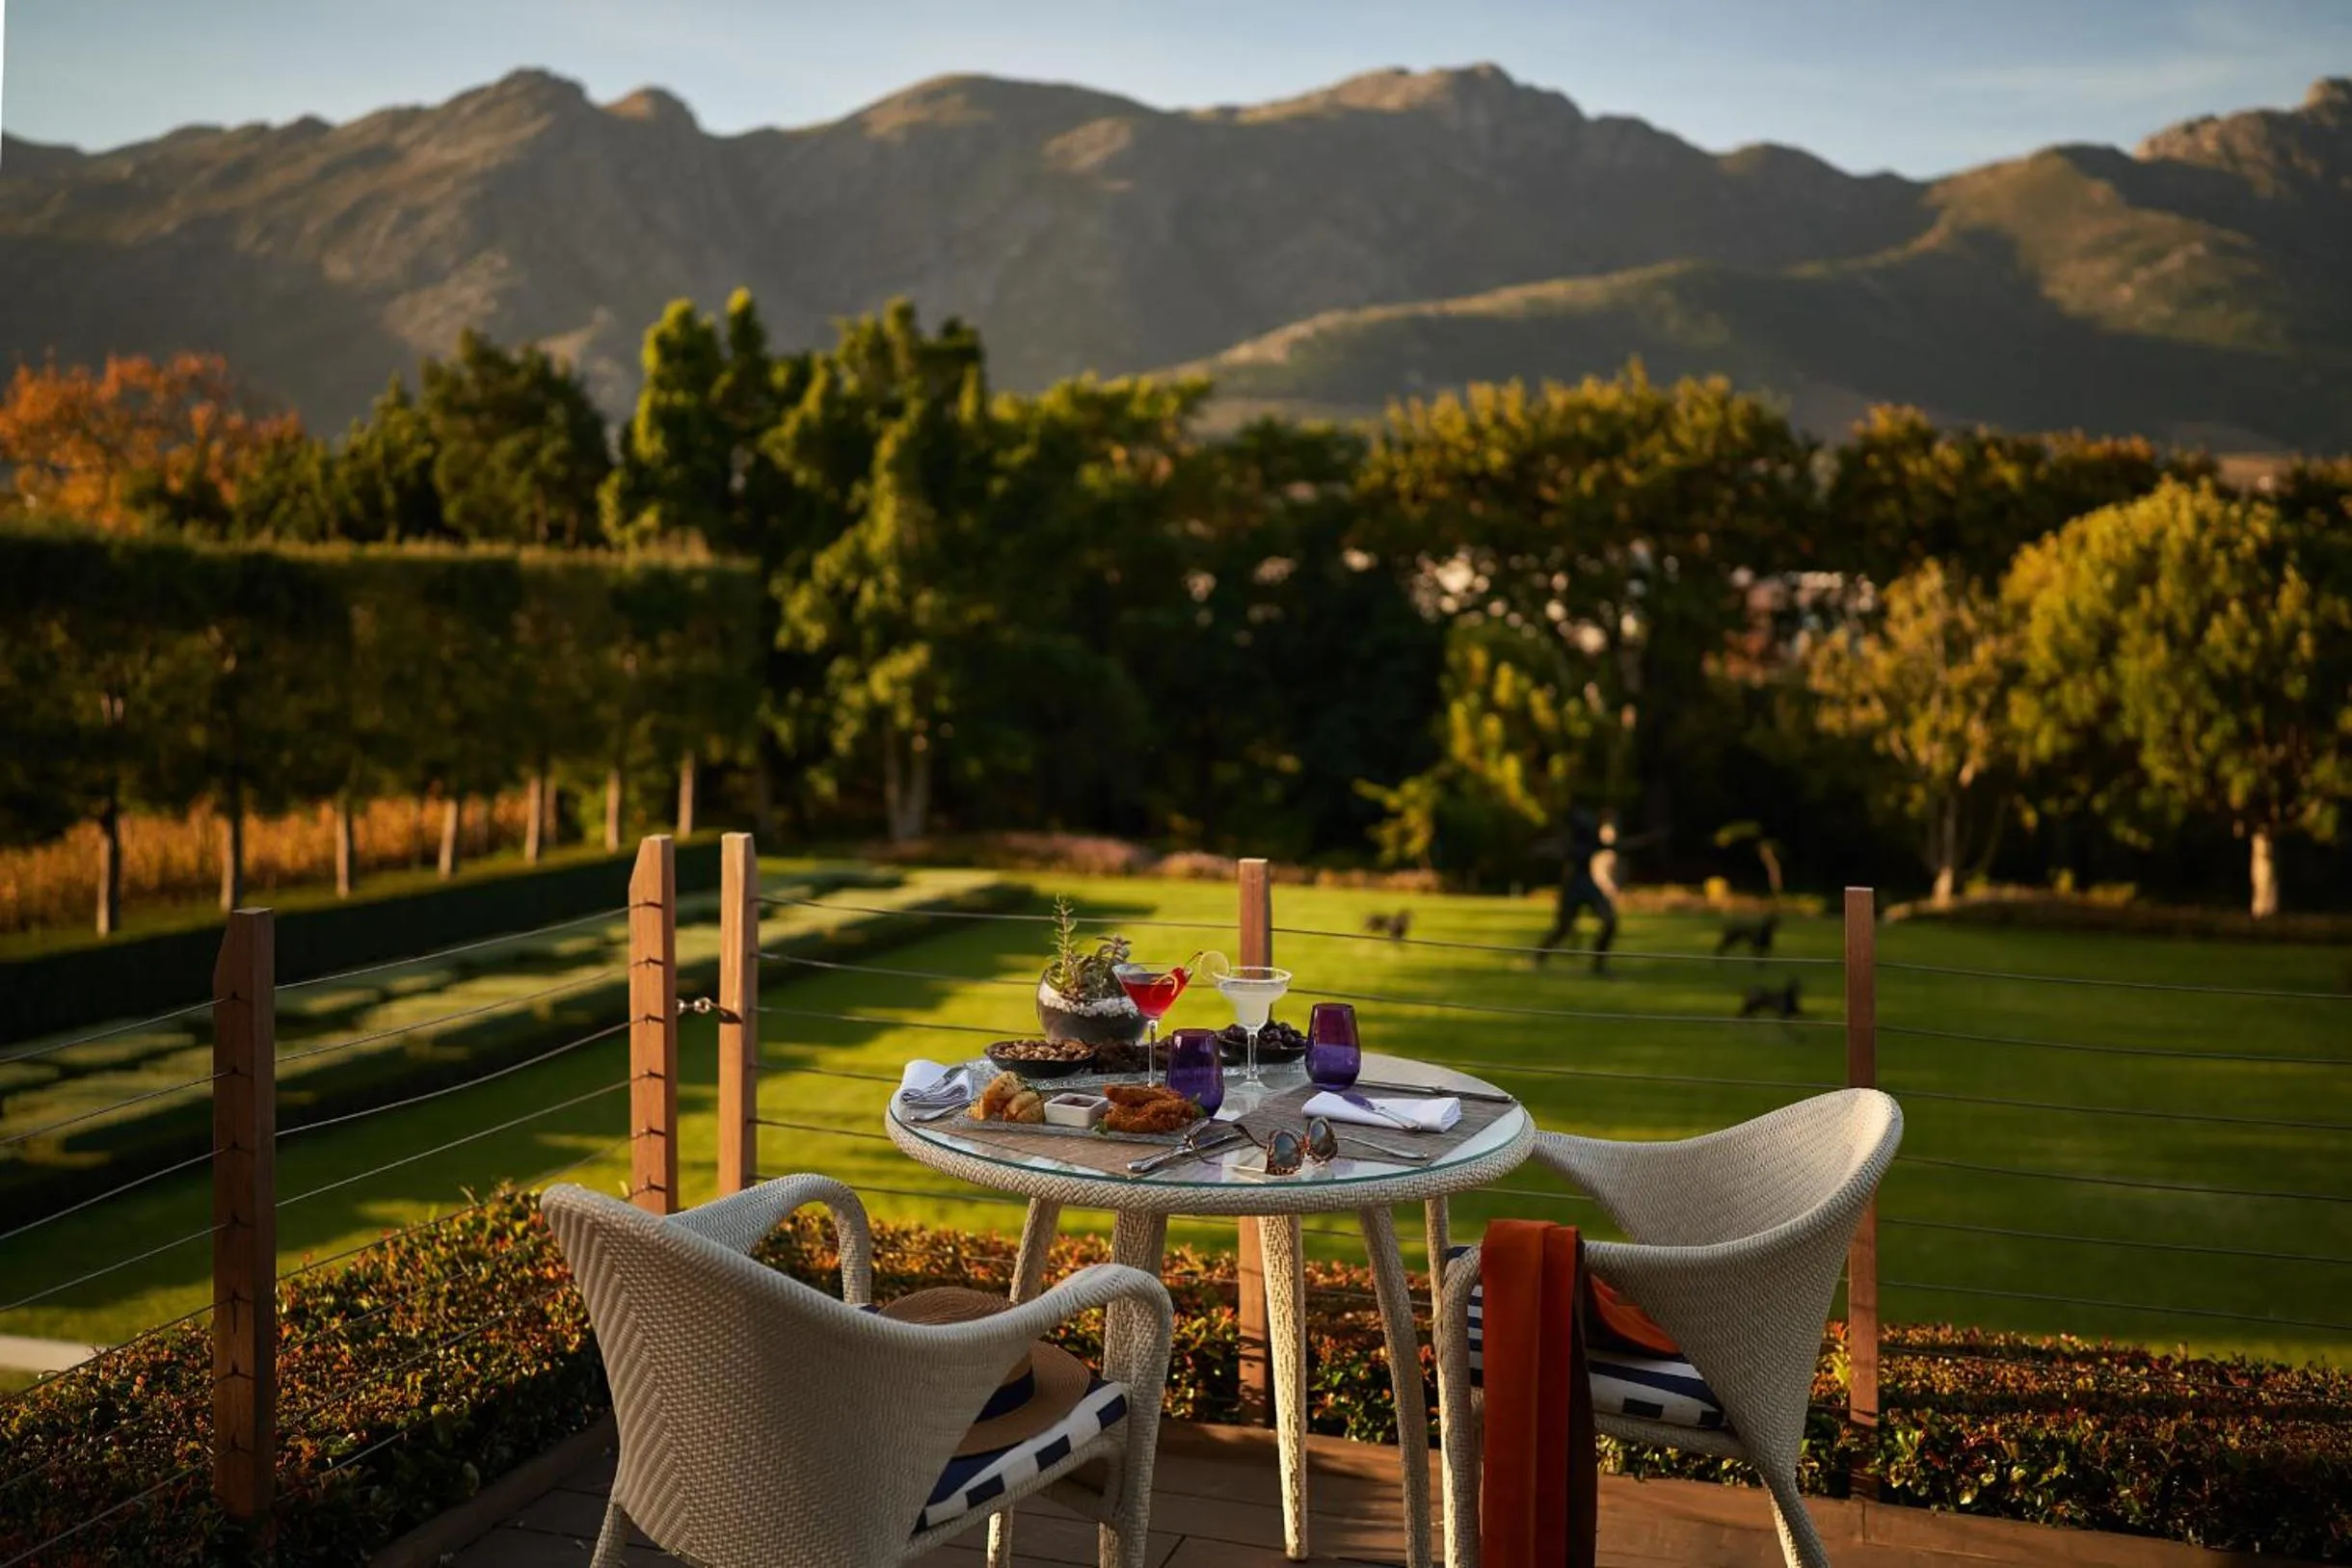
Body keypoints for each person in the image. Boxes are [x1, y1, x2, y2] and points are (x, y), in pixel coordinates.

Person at [1536, 811, 1622, 973]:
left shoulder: (1592, 840)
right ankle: (1539, 957)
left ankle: (1598, 963)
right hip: (1573, 888)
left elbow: (1610, 846)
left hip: (1588, 886)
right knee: (1564, 928)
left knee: (1609, 922)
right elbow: (1557, 851)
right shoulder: (1569, 843)